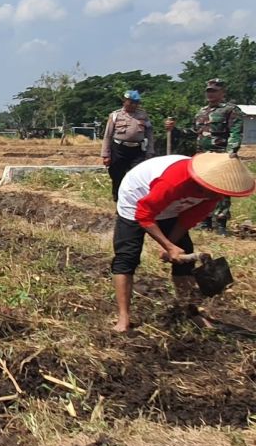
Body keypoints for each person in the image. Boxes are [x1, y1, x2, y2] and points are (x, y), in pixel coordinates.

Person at [110, 152, 253, 332]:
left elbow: (186, 220)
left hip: (171, 206)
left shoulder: (215, 193)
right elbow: (143, 214)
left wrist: (171, 246)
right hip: (137, 197)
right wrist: (168, 246)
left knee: (185, 256)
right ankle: (124, 318)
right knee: (127, 257)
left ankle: (190, 312)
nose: (219, 196)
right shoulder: (175, 181)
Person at [166, 79, 243, 236]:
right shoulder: (201, 111)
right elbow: (195, 132)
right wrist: (175, 130)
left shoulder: (230, 110)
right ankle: (204, 220)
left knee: (221, 189)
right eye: (208, 91)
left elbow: (236, 132)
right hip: (202, 156)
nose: (210, 94)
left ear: (222, 93)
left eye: (214, 91)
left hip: (220, 155)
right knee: (201, 188)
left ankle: (220, 223)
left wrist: (231, 152)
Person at [101, 90, 153, 201]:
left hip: (137, 150)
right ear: (124, 101)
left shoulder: (143, 115)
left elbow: (150, 134)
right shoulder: (115, 115)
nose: (134, 105)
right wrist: (106, 155)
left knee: (138, 175)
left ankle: (135, 201)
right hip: (119, 150)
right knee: (117, 175)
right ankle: (118, 199)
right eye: (131, 102)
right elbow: (107, 136)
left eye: (136, 102)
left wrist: (150, 151)